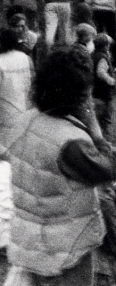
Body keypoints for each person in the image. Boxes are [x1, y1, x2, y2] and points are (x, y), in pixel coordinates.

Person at [2, 46, 116, 286]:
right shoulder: (71, 142)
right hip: (67, 248)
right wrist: (97, 132)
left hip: (30, 239)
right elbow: (108, 169)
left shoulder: (22, 121)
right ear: (80, 93)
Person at [0, 29, 33, 251]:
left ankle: (6, 229)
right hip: (24, 114)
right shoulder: (24, 58)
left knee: (4, 169)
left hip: (4, 118)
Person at [91, 33, 116, 137]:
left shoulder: (93, 54)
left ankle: (101, 131)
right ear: (106, 46)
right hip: (103, 90)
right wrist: (110, 80)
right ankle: (103, 134)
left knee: (100, 111)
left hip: (95, 90)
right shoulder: (102, 57)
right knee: (105, 112)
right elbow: (100, 72)